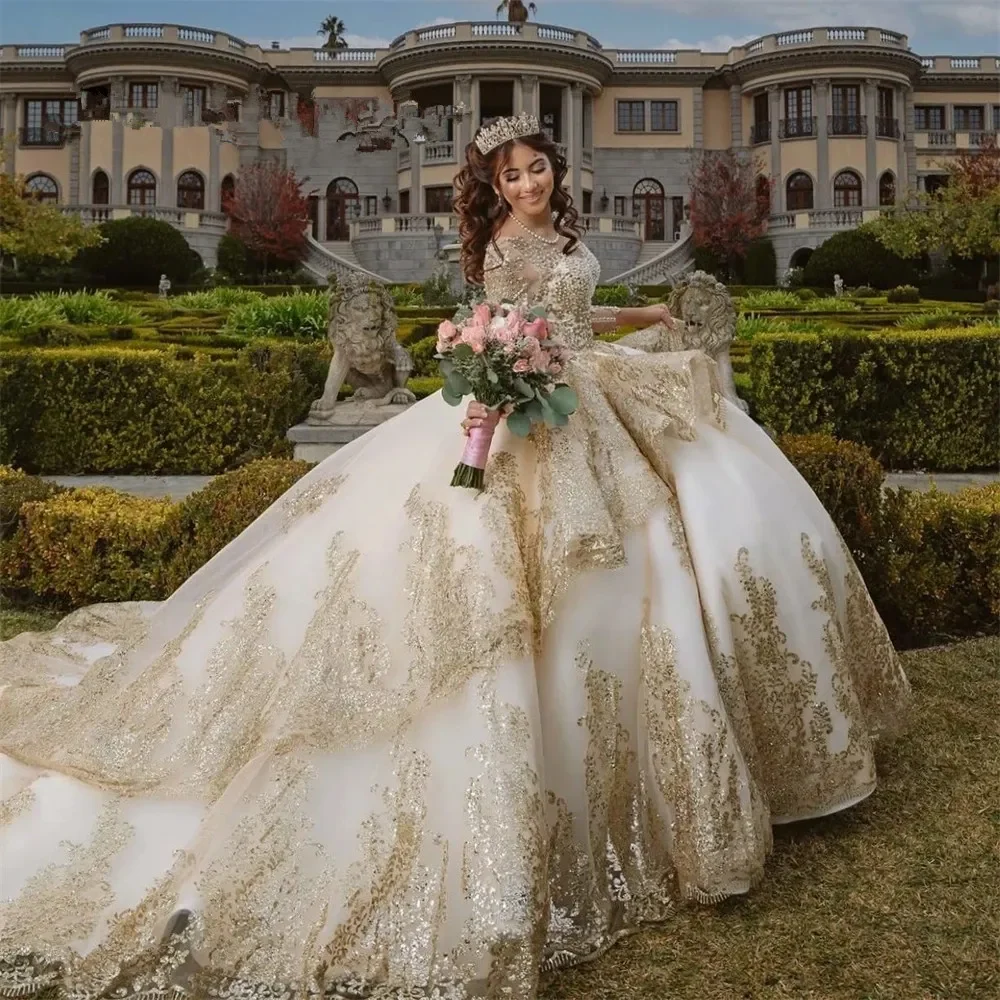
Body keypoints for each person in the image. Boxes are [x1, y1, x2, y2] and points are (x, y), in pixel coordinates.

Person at [0, 114, 909, 999]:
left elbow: (582, 310)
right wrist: (502, 380)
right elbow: (501, 326)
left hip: (594, 389)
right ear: (494, 187)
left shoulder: (566, 236)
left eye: (537, 169)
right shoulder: (505, 248)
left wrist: (651, 312)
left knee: (683, 525)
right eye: (511, 176)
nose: (528, 185)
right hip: (531, 413)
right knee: (520, 575)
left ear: (556, 168)